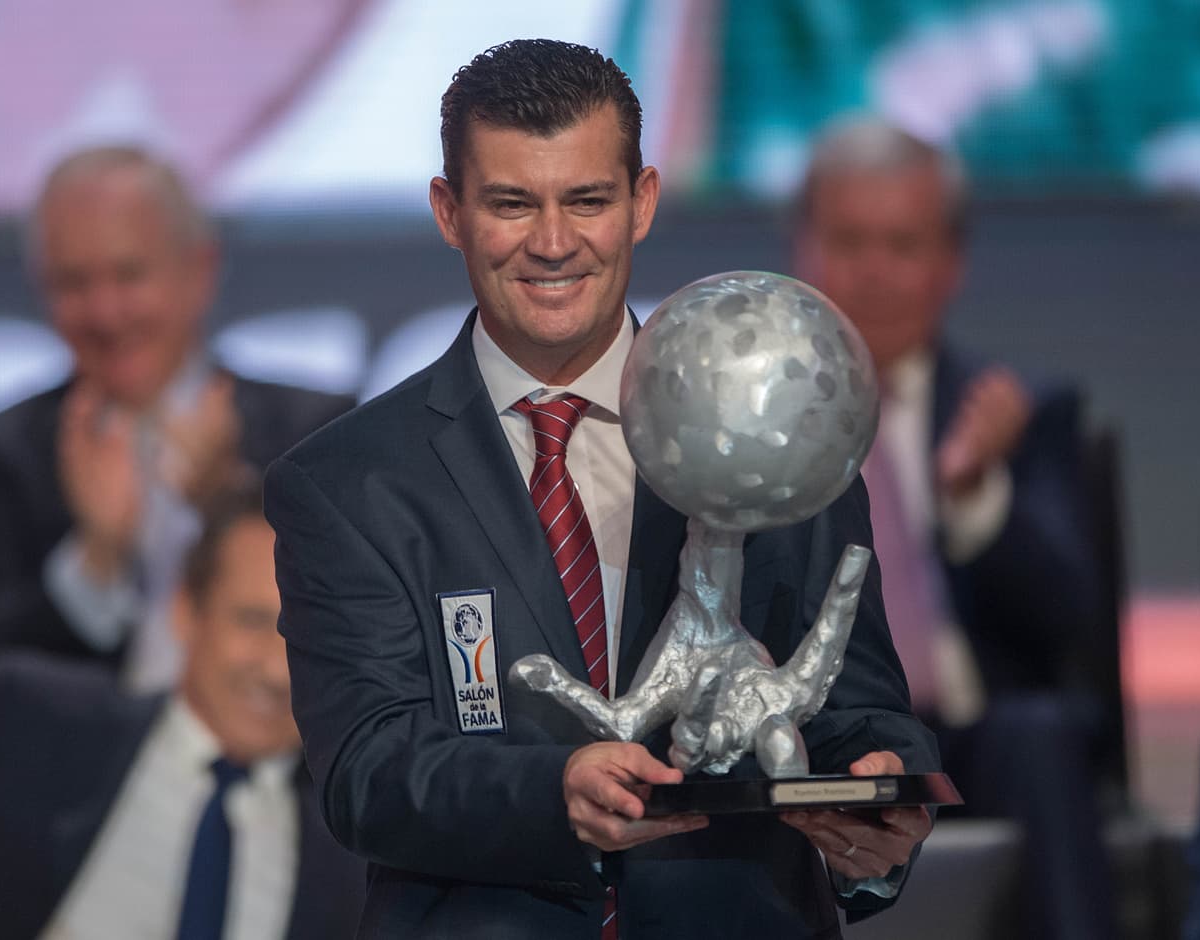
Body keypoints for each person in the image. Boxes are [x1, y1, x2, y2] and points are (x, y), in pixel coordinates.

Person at [264, 39, 938, 939]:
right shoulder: (348, 483)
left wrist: (878, 807)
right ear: (449, 211)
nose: (552, 244)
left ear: (642, 203)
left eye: (587, 200)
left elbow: (856, 704)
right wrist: (555, 792)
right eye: (512, 204)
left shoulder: (775, 426)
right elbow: (369, 772)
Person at [793, 116, 1114, 939]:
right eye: (849, 240)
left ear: (950, 264)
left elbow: (1071, 620)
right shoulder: (749, 424)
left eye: (901, 244)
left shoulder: (1019, 413)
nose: (872, 271)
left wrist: (975, 493)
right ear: (805, 251)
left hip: (975, 739)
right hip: (809, 740)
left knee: (1038, 733)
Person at [0, 146, 353, 698]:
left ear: (200, 271)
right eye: (74, 283)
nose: (105, 313)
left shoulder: (316, 434)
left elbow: (356, 631)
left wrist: (229, 502)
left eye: (129, 275)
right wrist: (96, 560)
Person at [0, 479, 364, 939]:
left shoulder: (361, 853)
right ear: (185, 610)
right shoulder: (33, 725)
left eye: (310, 642)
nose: (278, 671)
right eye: (253, 621)